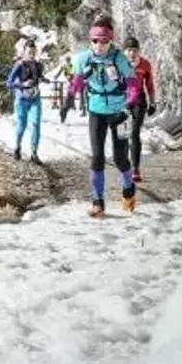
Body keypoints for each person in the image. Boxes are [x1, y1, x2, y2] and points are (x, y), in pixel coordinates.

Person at [66, 15, 142, 217]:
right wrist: (68, 98)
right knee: (97, 156)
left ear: (111, 40)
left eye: (104, 41)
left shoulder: (119, 59)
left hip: (120, 113)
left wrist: (131, 100)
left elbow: (133, 83)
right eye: (95, 41)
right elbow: (78, 81)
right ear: (90, 40)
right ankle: (98, 201)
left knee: (120, 159)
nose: (99, 45)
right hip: (96, 111)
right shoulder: (83, 59)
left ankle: (128, 191)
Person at [123, 35, 159, 183]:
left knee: (134, 133)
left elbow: (150, 85)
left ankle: (136, 169)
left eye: (135, 50)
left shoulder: (144, 64)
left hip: (139, 101)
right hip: (122, 101)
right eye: (129, 50)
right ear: (124, 51)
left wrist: (152, 103)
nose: (132, 53)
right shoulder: (119, 63)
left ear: (139, 51)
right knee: (122, 135)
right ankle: (124, 165)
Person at [3, 40, 46, 163]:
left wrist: (43, 79)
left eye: (33, 52)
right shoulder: (19, 65)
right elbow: (8, 83)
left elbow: (40, 77)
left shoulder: (38, 65)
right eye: (29, 52)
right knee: (22, 125)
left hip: (35, 98)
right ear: (24, 52)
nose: (32, 55)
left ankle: (34, 153)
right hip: (22, 99)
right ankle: (17, 147)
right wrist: (22, 84)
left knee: (36, 124)